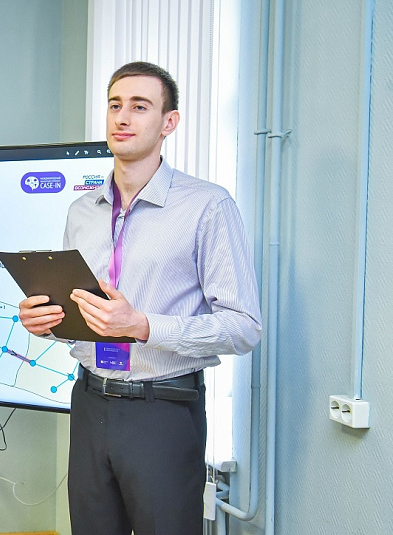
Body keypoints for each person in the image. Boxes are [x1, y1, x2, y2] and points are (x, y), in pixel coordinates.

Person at [18, 62, 262, 535]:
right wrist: (46, 322)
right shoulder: (82, 211)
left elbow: (244, 327)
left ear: (169, 122)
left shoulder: (207, 206)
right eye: (115, 105)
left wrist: (143, 325)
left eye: (139, 106)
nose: (123, 117)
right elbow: (83, 316)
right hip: (90, 402)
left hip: (162, 410)